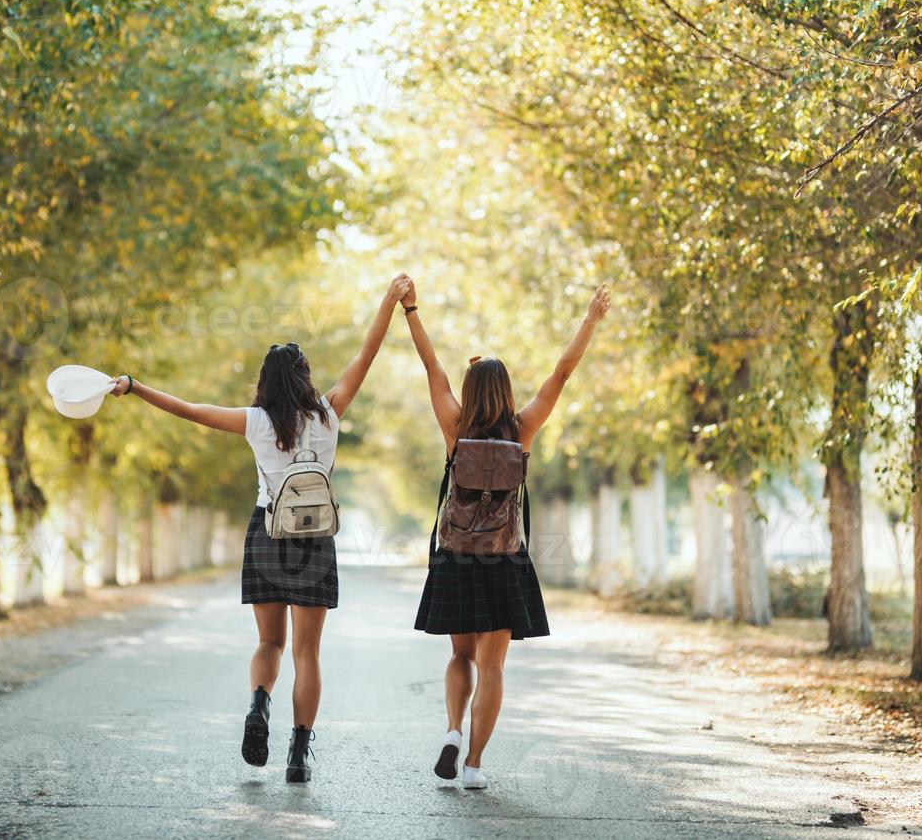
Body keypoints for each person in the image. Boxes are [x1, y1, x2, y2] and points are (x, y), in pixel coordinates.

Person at [106, 275, 412, 783]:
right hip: (315, 539)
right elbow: (367, 355)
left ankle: (258, 704)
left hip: (267, 533)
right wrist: (389, 303)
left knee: (269, 644)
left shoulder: (255, 421)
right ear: (305, 376)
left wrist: (134, 386)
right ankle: (297, 754)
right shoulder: (330, 414)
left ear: (265, 382)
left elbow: (188, 410)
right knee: (307, 652)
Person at [401, 280, 611, 789]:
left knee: (459, 656)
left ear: (471, 393)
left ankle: (452, 729)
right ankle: (473, 765)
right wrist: (590, 319)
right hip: (503, 558)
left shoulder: (455, 425)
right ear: (508, 392)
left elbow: (433, 369)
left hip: (455, 555)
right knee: (492, 668)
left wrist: (410, 311)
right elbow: (562, 373)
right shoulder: (523, 428)